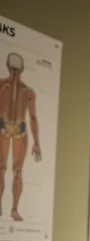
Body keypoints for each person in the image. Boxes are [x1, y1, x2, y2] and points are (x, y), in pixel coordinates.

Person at [0, 52, 41, 221]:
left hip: (19, 130)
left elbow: (33, 117)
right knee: (2, 169)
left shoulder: (28, 91)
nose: (15, 73)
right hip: (3, 127)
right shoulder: (2, 85)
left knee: (17, 171)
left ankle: (14, 209)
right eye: (14, 69)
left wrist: (37, 142)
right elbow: (33, 117)